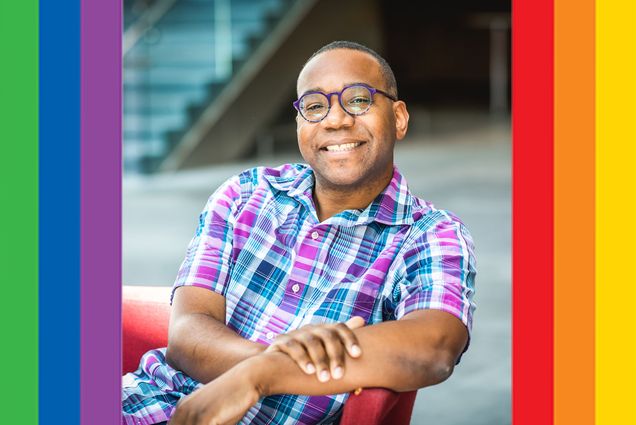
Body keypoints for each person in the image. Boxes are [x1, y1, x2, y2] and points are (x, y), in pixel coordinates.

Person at [122, 40, 476, 425]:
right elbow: (187, 332)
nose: (335, 120)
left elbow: (434, 348)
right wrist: (272, 361)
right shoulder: (245, 194)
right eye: (314, 106)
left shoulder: (430, 235)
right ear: (299, 126)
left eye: (358, 100)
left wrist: (261, 376)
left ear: (398, 117)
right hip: (141, 402)